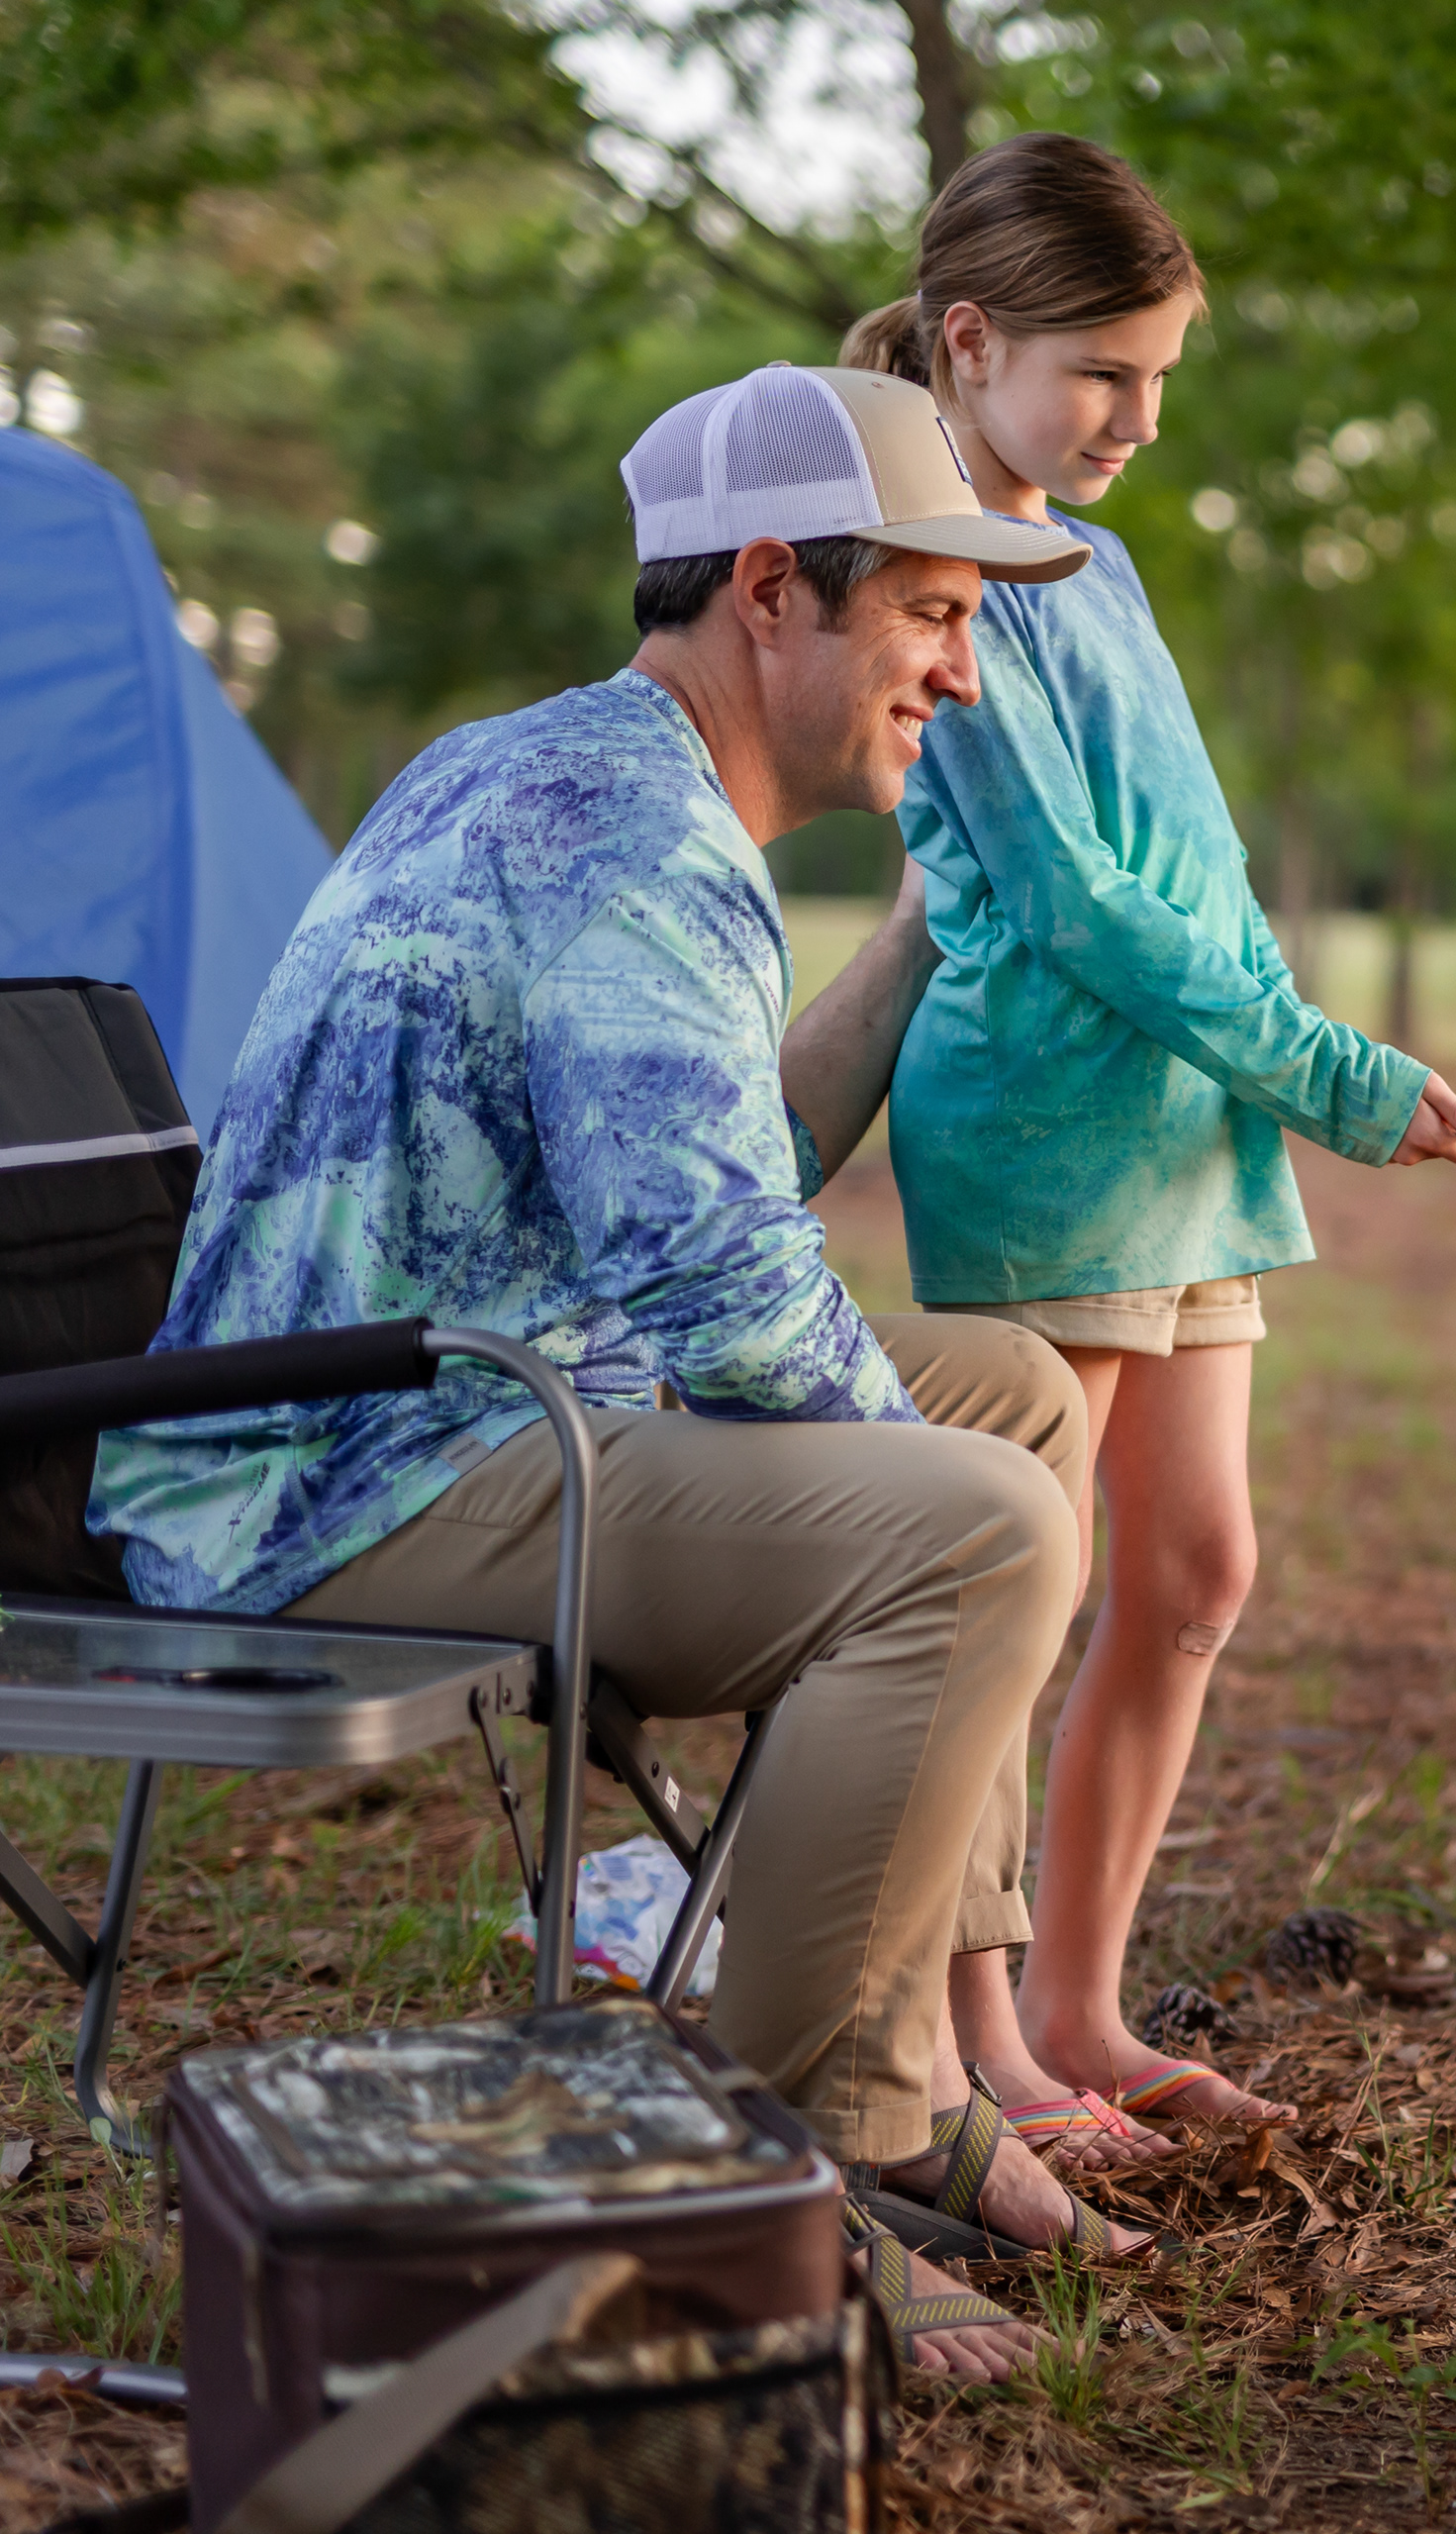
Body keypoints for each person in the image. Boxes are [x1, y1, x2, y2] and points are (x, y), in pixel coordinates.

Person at [86, 362, 1137, 2382]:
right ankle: (758, 2187)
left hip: (469, 1389)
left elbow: (706, 1171)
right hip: (350, 1467)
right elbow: (729, 1291)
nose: (967, 675)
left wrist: (917, 944)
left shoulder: (583, 773)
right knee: (980, 1528)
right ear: (772, 589)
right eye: (933, 613)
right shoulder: (619, 838)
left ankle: (904, 2078)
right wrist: (931, 1505)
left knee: (1011, 1392)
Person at [825, 134, 1456, 2162]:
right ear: (971, 339)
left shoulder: (1097, 564)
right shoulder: (946, 576)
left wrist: (1278, 1067)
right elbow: (1088, 908)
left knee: (1195, 1570)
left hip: (1193, 1124)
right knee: (1017, 1589)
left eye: (1162, 376)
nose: (1136, 418)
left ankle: (1081, 2003)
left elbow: (1193, 867)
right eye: (1103, 371)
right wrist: (1335, 1071)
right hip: (1050, 1118)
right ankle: (969, 2047)